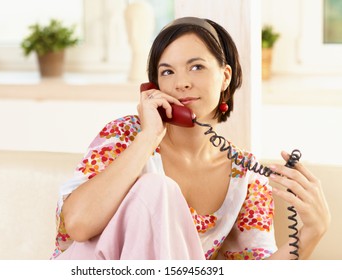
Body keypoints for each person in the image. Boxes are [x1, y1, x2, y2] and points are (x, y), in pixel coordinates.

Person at [51, 16, 330, 260]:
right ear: (154, 86)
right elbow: (77, 224)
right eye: (167, 71)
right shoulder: (126, 135)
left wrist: (311, 233)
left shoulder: (244, 173)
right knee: (158, 189)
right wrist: (148, 137)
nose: (181, 83)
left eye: (196, 67)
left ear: (225, 77)